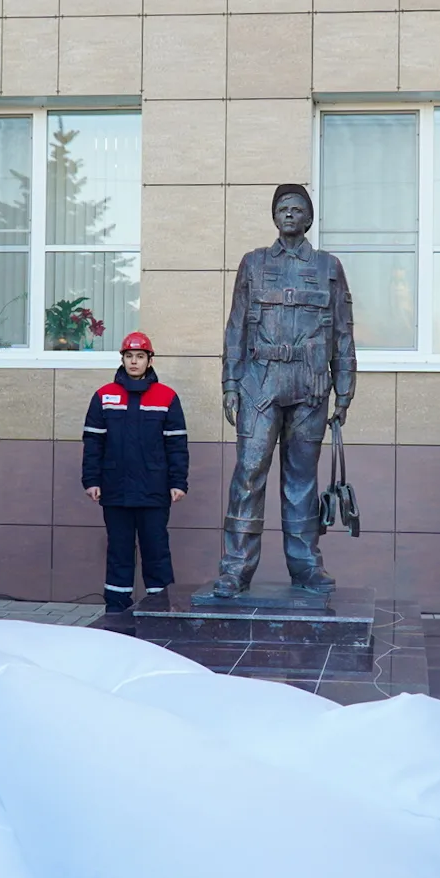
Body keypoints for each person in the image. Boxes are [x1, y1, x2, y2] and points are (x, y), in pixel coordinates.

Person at [212, 183, 357, 597]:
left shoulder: (329, 266)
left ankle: (306, 564)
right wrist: (230, 383)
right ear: (274, 217)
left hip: (311, 387)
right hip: (259, 383)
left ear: (309, 219)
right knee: (248, 475)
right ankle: (236, 568)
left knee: (302, 481)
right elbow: (236, 327)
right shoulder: (253, 264)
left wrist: (344, 388)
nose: (289, 214)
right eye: (282, 209)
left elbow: (344, 333)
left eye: (296, 209)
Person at [82, 332, 188, 613]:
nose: (134, 361)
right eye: (129, 356)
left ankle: (161, 607)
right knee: (119, 551)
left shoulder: (167, 397)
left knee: (156, 550)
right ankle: (116, 608)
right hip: (114, 488)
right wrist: (91, 480)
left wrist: (178, 482)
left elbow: (177, 445)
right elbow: (93, 443)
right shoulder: (104, 396)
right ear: (123, 359)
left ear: (149, 360)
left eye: (140, 356)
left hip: (155, 489)